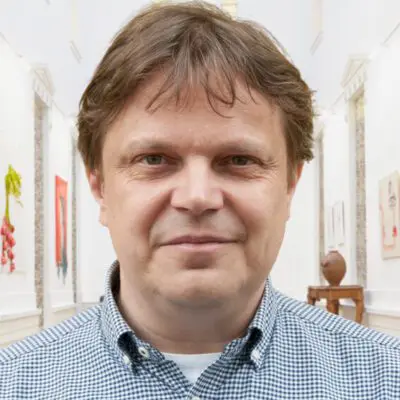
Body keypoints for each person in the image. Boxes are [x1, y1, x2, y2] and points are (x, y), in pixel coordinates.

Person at [1, 2, 399, 399]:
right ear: (101, 187)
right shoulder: (14, 384)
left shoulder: (385, 379)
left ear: (289, 185)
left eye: (239, 160)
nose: (197, 197)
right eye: (153, 159)